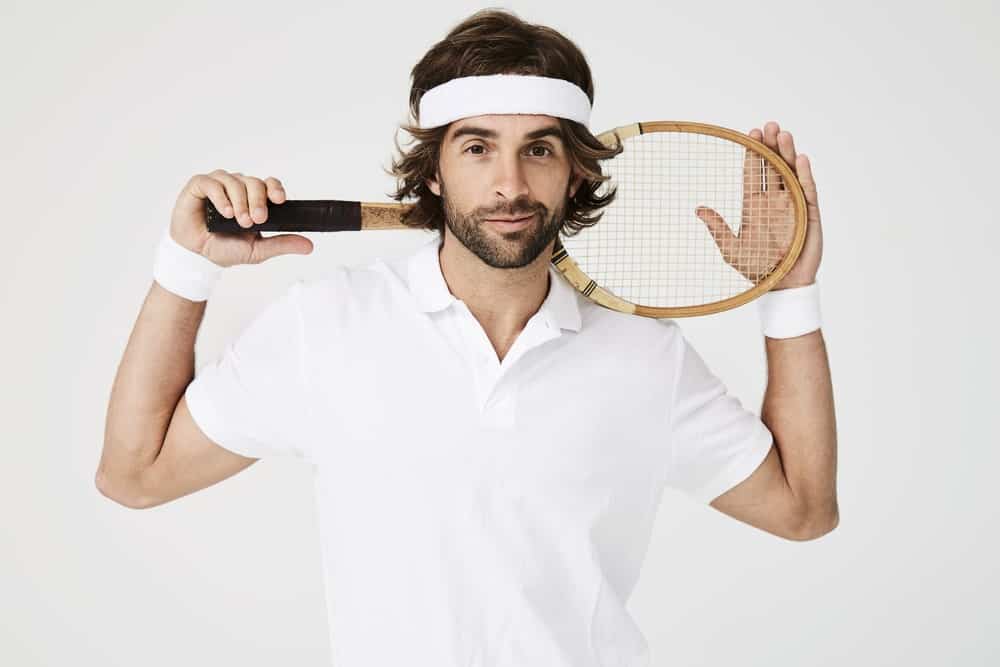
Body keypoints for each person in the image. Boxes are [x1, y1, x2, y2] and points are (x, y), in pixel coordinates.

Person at [97, 8, 838, 666]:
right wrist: (186, 266)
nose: (510, 184)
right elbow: (134, 474)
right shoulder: (324, 325)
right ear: (434, 174)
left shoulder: (648, 358)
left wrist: (789, 292)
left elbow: (803, 509)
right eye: (478, 148)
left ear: (576, 174)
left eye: (539, 149)